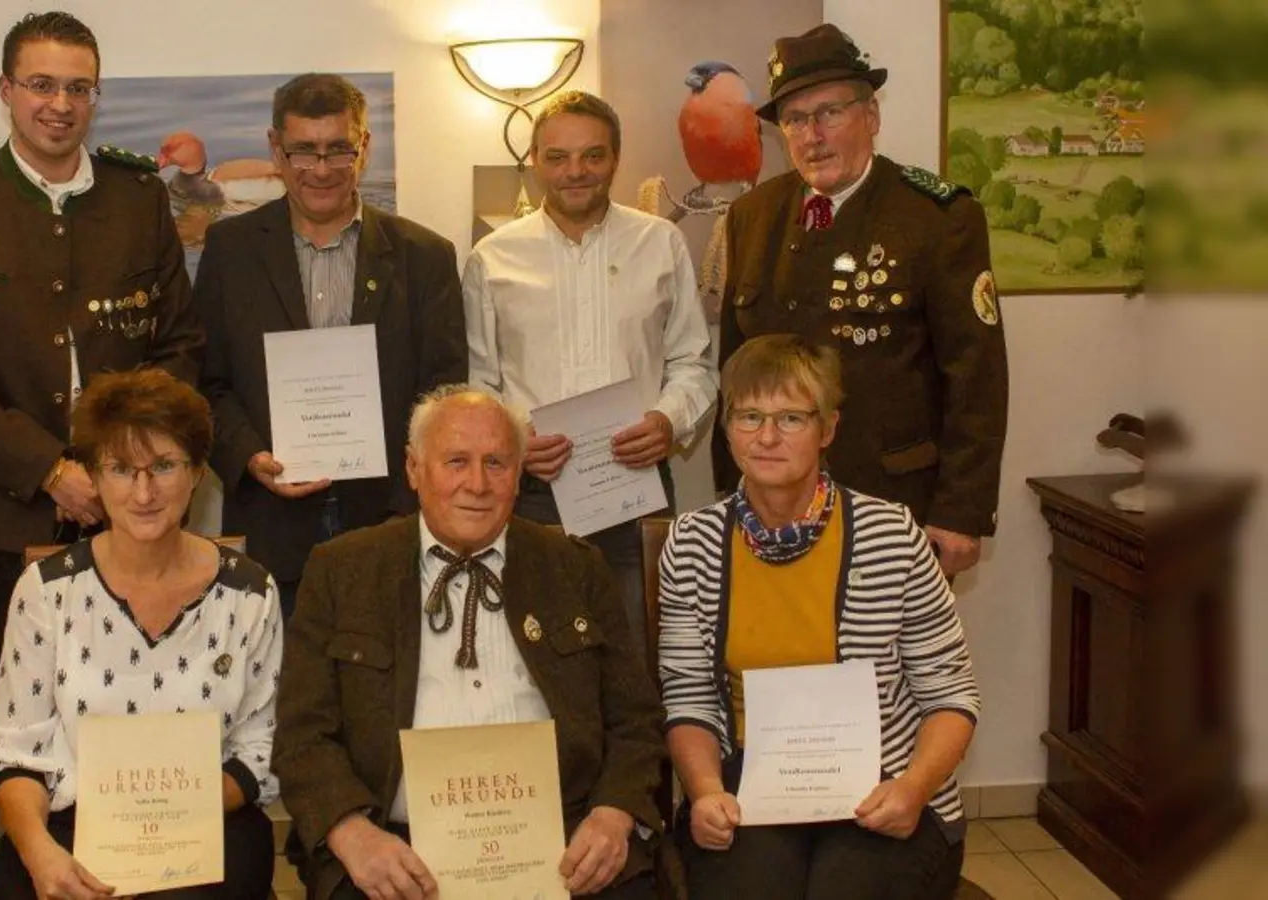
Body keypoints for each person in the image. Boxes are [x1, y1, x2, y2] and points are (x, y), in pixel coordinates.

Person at [0, 10, 205, 870]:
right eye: (41, 84)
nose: (59, 104)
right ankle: (26, 863)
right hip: (0, 510)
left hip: (133, 509)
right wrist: (49, 471)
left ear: (94, 97)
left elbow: (177, 342)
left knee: (135, 697)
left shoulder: (140, 196)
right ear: (6, 92)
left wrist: (128, 469)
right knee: (9, 703)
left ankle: (141, 861)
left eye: (77, 87)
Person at [273, 385, 664, 900]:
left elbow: (636, 720)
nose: (477, 484)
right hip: (396, 852)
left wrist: (613, 815)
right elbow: (302, 735)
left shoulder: (574, 567)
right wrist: (352, 834)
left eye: (496, 463)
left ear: (519, 476)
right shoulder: (342, 570)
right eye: (456, 461)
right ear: (414, 469)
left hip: (564, 845)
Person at [658, 334, 980, 898]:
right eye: (750, 415)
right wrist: (705, 790)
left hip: (886, 786)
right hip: (747, 789)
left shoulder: (892, 535)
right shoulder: (693, 543)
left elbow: (950, 696)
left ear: (828, 429)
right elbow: (688, 697)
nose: (766, 437)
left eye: (791, 418)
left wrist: (914, 787)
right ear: (727, 427)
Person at [714, 24, 1008, 578]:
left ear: (870, 115)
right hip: (769, 510)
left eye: (829, 113)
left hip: (893, 508)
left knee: (887, 664)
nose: (812, 135)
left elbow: (977, 376)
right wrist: (728, 491)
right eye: (795, 119)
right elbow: (734, 368)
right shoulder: (752, 217)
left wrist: (961, 512)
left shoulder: (938, 217)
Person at [0, 369, 280, 900]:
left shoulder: (251, 593)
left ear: (197, 472)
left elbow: (261, 744)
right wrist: (39, 853)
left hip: (204, 817)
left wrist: (171, 820)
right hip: (69, 825)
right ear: (94, 477)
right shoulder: (46, 592)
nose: (144, 492)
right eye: (121, 469)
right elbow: (14, 753)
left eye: (164, 466)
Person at [194, 73, 466, 617]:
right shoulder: (230, 249)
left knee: (386, 697)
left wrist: (407, 494)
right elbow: (207, 380)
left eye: (338, 149)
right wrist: (248, 456)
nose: (321, 169)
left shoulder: (425, 256)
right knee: (281, 697)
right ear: (277, 149)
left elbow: (444, 393)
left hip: (392, 523)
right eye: (304, 151)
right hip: (271, 526)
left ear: (363, 147)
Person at [464, 90, 716, 639]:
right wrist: (511, 439)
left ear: (616, 158)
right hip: (532, 490)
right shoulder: (493, 256)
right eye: (557, 157)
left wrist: (669, 422)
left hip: (636, 481)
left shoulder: (661, 243)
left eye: (593, 156)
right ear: (534, 161)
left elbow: (693, 362)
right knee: (533, 655)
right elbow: (478, 380)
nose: (575, 171)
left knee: (633, 653)